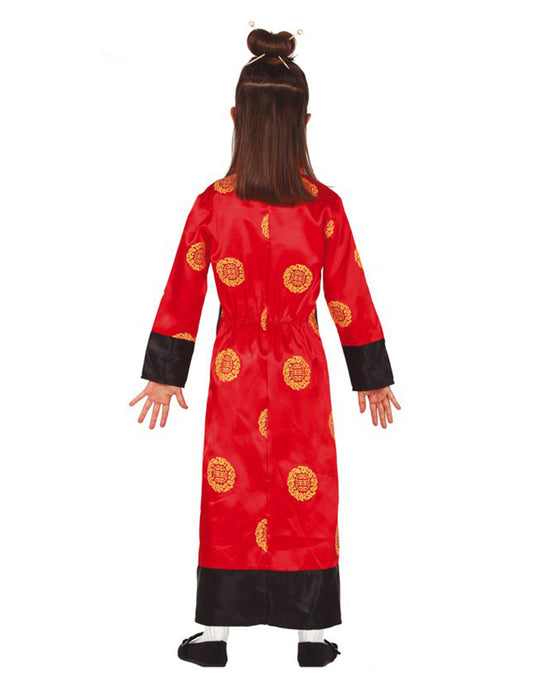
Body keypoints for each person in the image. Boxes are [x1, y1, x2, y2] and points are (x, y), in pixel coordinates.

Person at [129, 25, 400, 668]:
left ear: (235, 118)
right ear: (305, 121)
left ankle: (216, 634)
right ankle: (312, 635)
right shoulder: (324, 206)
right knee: (310, 483)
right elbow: (348, 292)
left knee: (231, 486)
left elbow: (185, 285)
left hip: (235, 363)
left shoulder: (213, 204)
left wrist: (167, 372)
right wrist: (371, 374)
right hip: (302, 361)